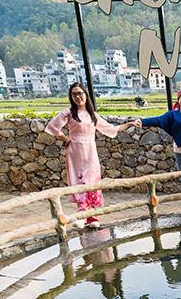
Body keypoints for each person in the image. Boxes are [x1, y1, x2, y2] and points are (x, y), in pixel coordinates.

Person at [44, 82, 125, 226]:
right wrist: (65, 138)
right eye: (74, 94)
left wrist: (129, 124)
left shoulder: (92, 115)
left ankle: (92, 217)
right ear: (71, 97)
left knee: (92, 180)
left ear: (85, 95)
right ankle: (81, 214)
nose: (77, 97)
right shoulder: (68, 113)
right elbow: (52, 127)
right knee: (78, 180)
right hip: (75, 151)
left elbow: (111, 129)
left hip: (90, 151)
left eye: (80, 93)